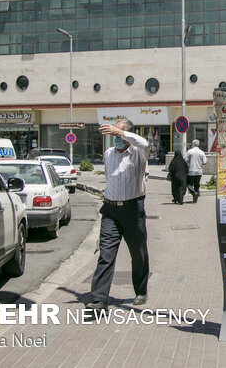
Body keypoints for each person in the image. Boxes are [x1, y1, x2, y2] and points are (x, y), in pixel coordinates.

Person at [86, 120, 150, 312]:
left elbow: (145, 143)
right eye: (113, 135)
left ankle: (141, 290)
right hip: (110, 211)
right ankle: (98, 300)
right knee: (106, 254)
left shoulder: (139, 153)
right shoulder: (108, 154)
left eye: (118, 135)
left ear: (127, 135)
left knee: (138, 253)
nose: (115, 138)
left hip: (133, 210)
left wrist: (120, 133)